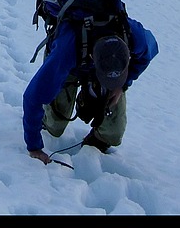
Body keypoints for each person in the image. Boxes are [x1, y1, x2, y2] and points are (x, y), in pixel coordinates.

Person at [23, 15, 158, 163]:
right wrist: (34, 147)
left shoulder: (133, 35)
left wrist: (122, 84)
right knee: (55, 126)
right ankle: (46, 121)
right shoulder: (64, 52)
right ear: (93, 58)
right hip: (70, 66)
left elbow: (149, 51)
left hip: (99, 63)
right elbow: (32, 98)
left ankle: (97, 143)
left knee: (114, 130)